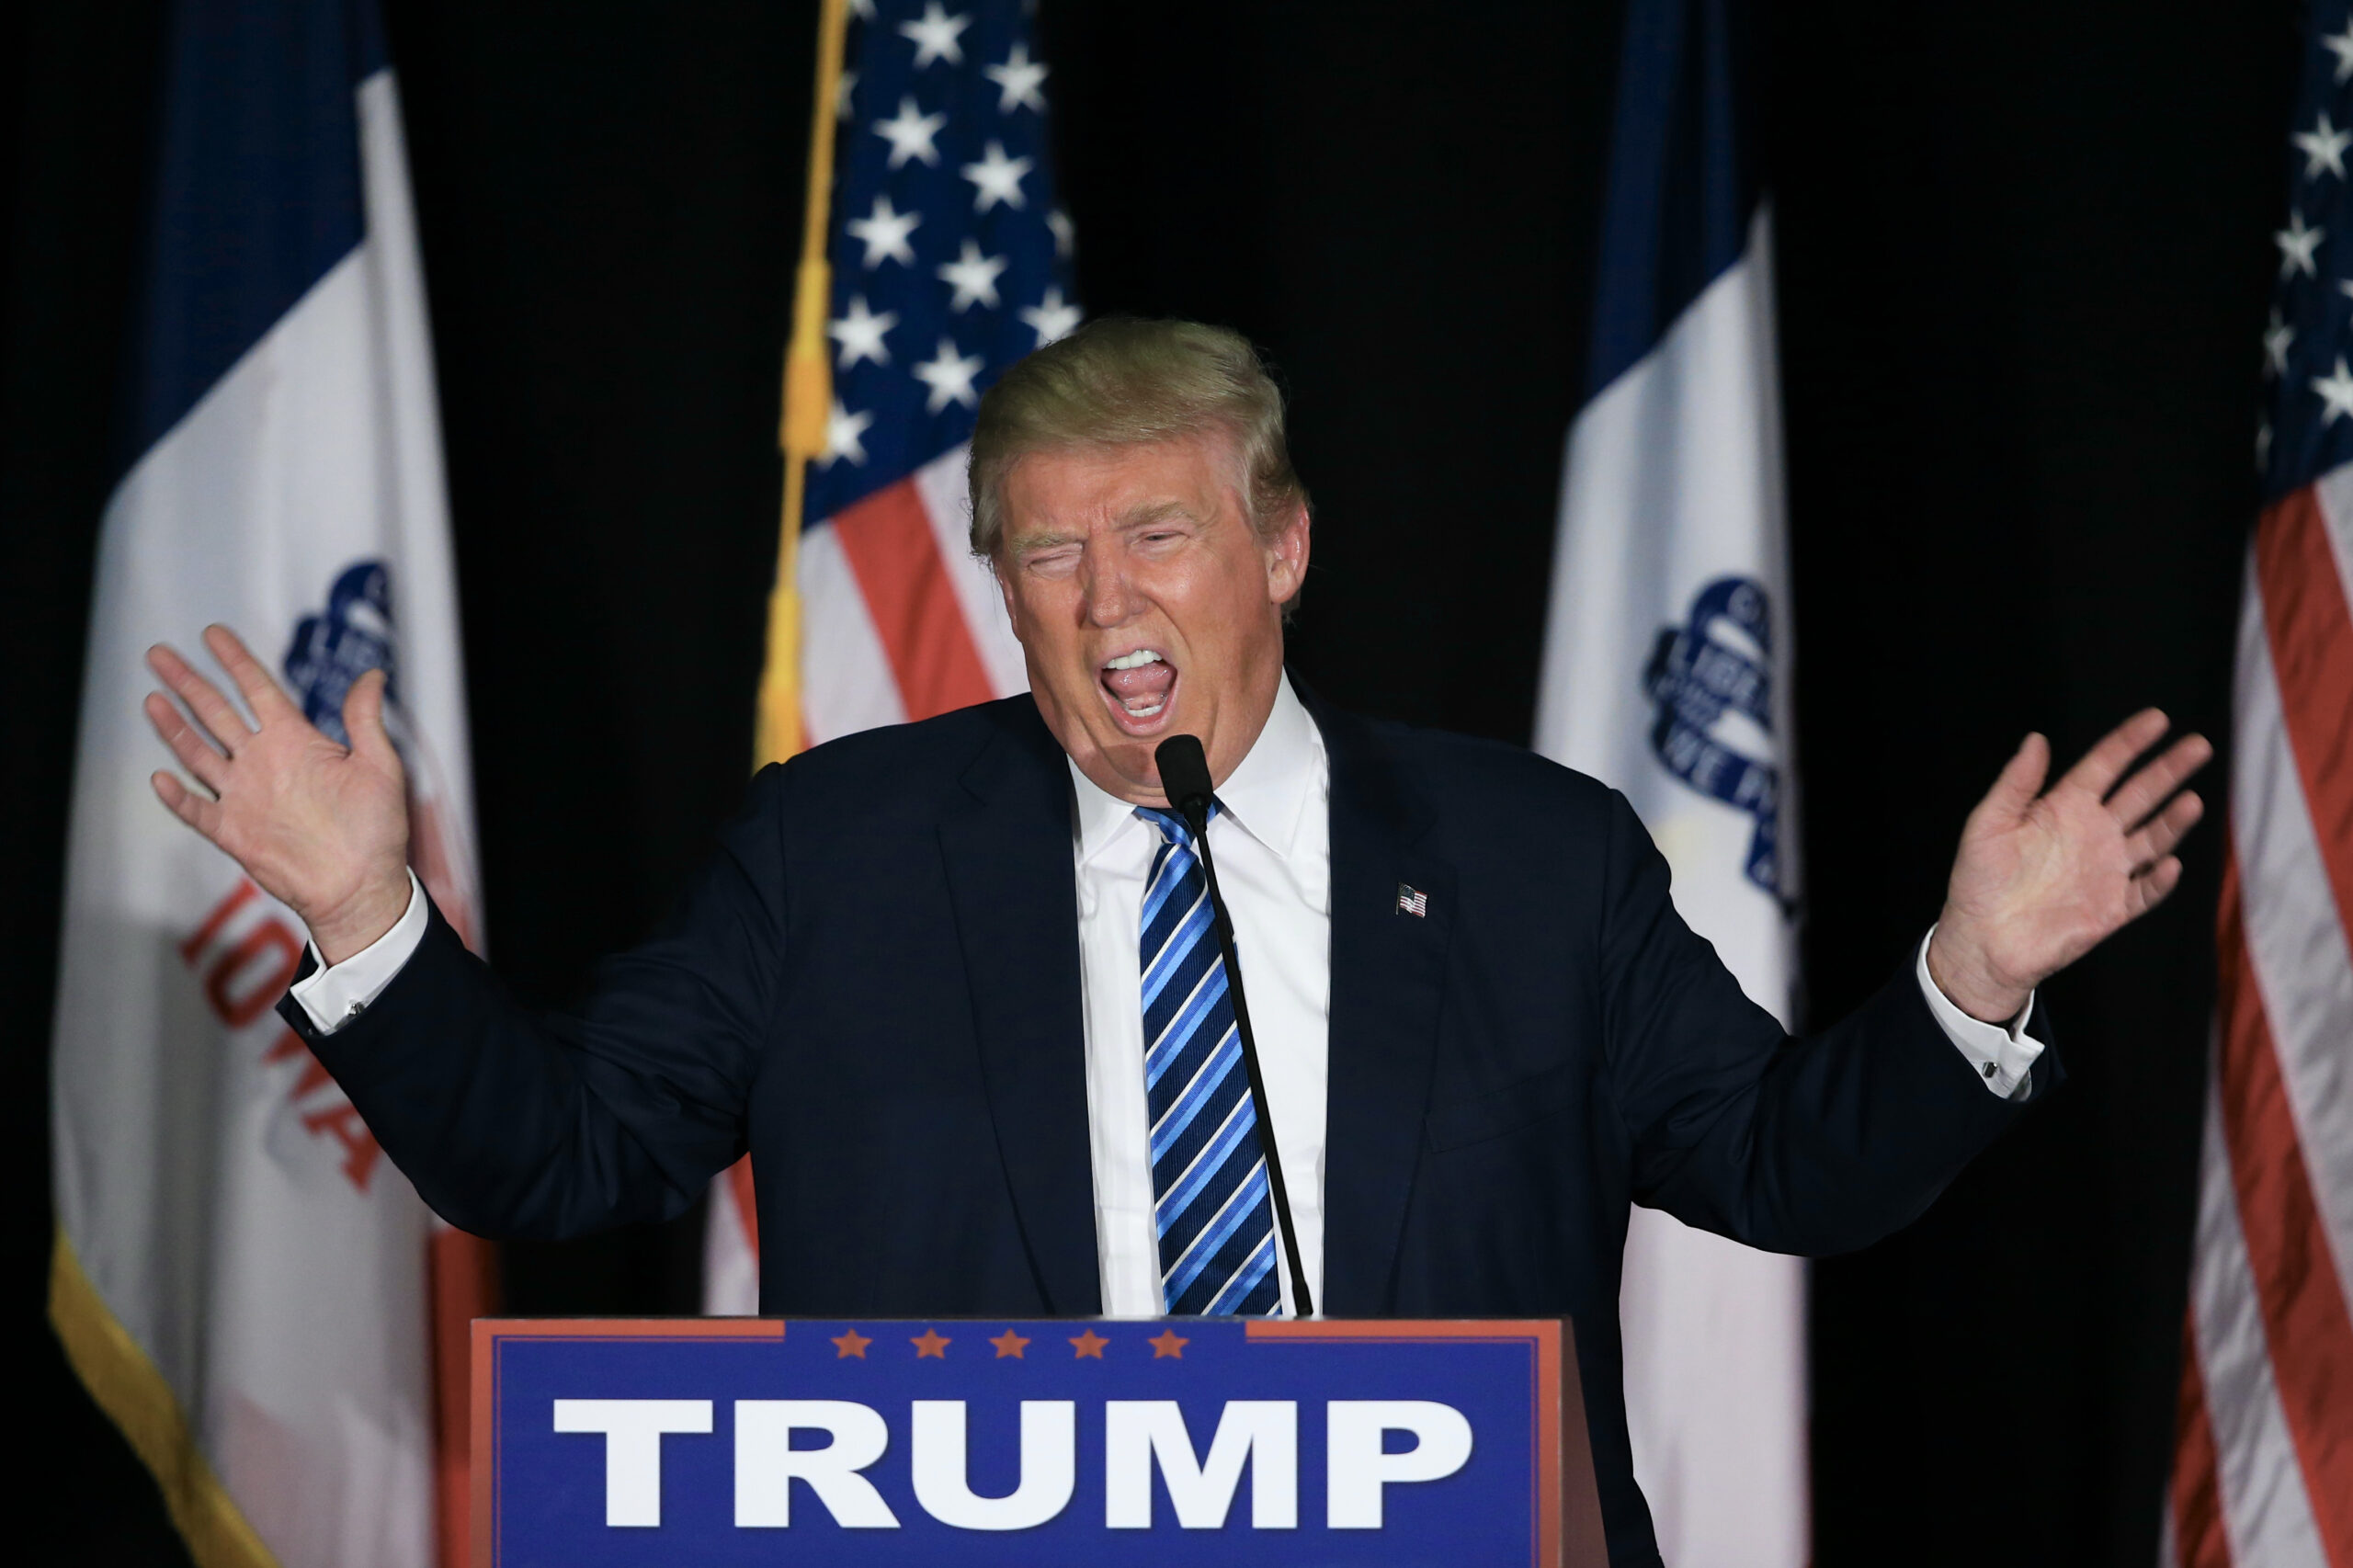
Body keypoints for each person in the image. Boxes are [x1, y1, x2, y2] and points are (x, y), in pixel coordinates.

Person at [142, 318, 2209, 1565]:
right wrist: (359, 914)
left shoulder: (1525, 857)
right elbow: (557, 1157)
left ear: (1280, 549)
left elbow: (1774, 1160)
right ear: (999, 586)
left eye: (1159, 533)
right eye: (1044, 547)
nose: (1103, 595)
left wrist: (1966, 980)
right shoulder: (835, 856)